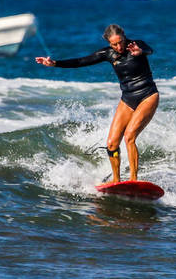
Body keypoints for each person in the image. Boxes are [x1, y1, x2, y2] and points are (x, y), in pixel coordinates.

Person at [36, 24, 159, 183]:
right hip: (128, 98)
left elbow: (150, 50)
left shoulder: (136, 45)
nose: (119, 46)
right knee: (112, 143)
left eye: (120, 42)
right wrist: (55, 64)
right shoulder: (108, 53)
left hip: (147, 95)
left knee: (129, 137)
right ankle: (116, 181)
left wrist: (141, 52)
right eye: (114, 44)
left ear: (124, 37)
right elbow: (81, 61)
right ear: (109, 43)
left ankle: (134, 181)